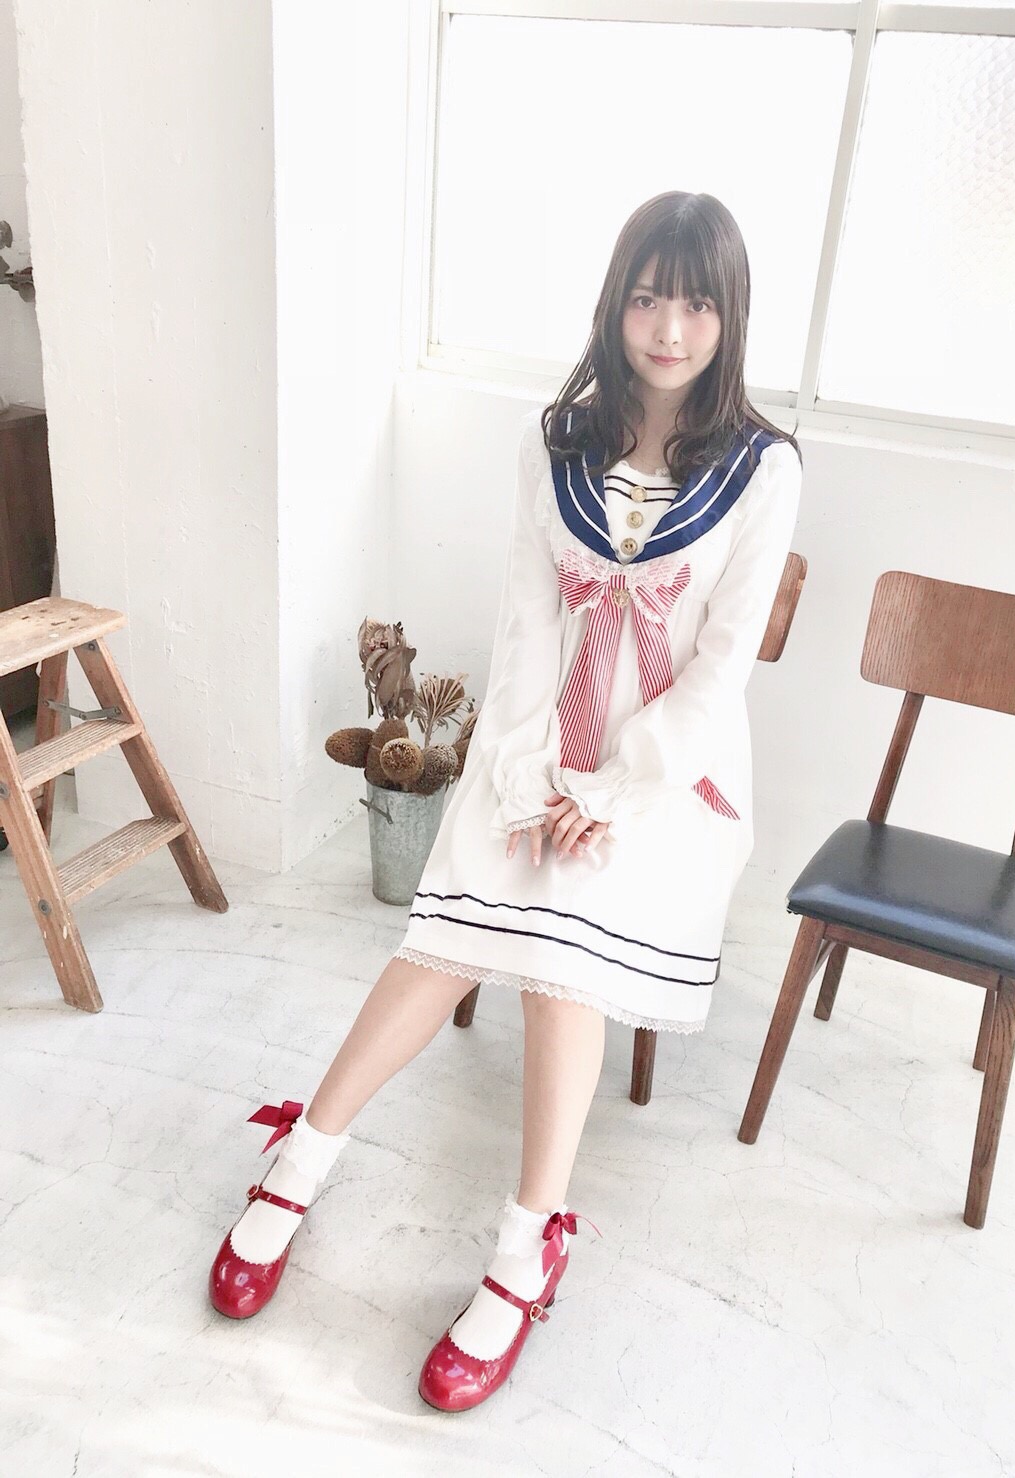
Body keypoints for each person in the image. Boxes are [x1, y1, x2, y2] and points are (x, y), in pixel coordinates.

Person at [207, 190, 804, 1413]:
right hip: (532, 750)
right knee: (441, 943)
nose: (670, 328)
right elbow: (526, 624)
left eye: (696, 303)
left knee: (562, 959)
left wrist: (611, 790)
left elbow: (720, 667)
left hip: (666, 781)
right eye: (648, 297)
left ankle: (526, 1247)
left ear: (729, 314)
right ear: (615, 301)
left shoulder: (763, 468)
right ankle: (298, 1159)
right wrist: (530, 776)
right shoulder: (556, 440)